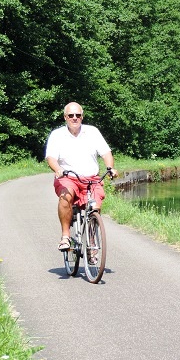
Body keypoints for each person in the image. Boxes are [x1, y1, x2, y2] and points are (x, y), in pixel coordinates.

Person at [45, 102, 118, 251]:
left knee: (95, 208)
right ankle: (65, 237)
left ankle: (92, 243)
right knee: (66, 196)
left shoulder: (92, 132)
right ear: (65, 117)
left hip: (91, 178)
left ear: (82, 117)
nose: (74, 118)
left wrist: (110, 168)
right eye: (71, 115)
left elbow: (106, 153)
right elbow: (51, 158)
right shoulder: (57, 135)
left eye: (78, 115)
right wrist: (58, 169)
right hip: (68, 177)